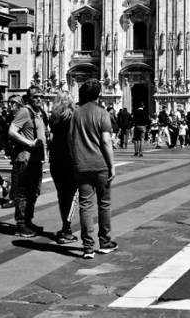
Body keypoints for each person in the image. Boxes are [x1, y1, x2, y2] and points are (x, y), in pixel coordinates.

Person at [69, 78, 117, 259]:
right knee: (104, 204)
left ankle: (88, 247)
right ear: (98, 94)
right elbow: (106, 141)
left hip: (81, 165)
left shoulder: (75, 114)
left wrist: (76, 160)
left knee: (85, 205)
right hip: (100, 166)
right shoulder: (102, 113)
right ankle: (105, 242)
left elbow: (70, 140)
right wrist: (112, 166)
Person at [7, 92, 47, 238]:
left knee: (34, 192)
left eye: (41, 96)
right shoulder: (25, 111)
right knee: (23, 192)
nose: (39, 99)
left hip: (35, 159)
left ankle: (28, 221)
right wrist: (29, 143)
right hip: (25, 158)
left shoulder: (39, 113)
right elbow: (12, 131)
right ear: (29, 98)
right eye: (35, 96)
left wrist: (44, 156)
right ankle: (21, 224)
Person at [47, 90, 79, 244]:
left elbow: (52, 137)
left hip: (55, 158)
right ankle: (66, 229)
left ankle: (64, 227)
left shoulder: (53, 117)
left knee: (61, 194)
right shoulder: (74, 117)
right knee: (72, 194)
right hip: (70, 158)